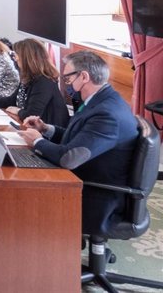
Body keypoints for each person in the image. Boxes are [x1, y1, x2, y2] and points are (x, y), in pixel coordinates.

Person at [17, 51, 138, 235]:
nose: (66, 85)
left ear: (83, 76)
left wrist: (38, 141)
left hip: (96, 195)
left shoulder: (107, 114)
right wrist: (46, 129)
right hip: (86, 177)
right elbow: (79, 137)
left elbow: (69, 158)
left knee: (22, 194)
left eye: (68, 79)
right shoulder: (100, 100)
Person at [0, 38, 70, 126]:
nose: (15, 59)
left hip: (47, 134)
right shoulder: (28, 77)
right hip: (30, 128)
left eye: (17, 55)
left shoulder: (44, 82)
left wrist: (18, 111)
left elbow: (32, 115)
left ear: (27, 59)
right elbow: (11, 100)